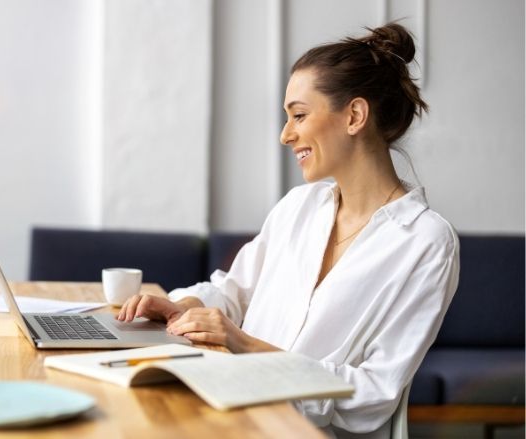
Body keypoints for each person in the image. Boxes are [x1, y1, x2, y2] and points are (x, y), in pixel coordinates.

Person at [117, 23, 459, 438]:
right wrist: (183, 306)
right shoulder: (300, 207)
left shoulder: (424, 242)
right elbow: (233, 292)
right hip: (234, 413)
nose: (285, 135)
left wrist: (244, 345)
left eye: (299, 115)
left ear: (354, 115)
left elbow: (373, 395)